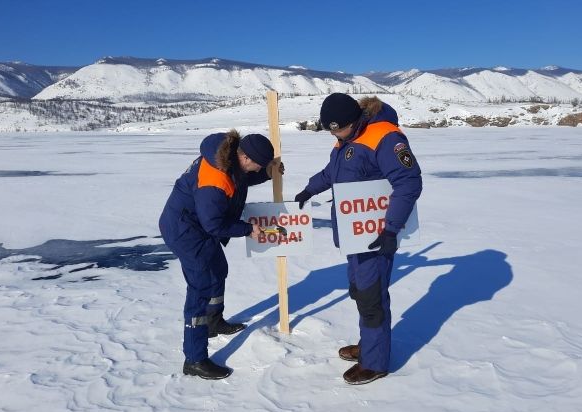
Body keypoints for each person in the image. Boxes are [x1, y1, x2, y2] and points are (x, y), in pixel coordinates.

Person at [294, 93, 422, 385]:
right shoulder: (347, 139)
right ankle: (369, 345)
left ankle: (375, 363)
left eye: (338, 129)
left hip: (376, 235)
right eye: (330, 130)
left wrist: (391, 229)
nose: (334, 135)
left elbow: (409, 182)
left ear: (356, 121)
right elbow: (333, 172)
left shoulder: (386, 138)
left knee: (371, 297)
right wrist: (309, 190)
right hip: (356, 234)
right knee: (360, 291)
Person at [159, 130, 281, 379]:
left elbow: (240, 177)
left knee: (218, 270)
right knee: (201, 287)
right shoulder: (214, 180)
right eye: (258, 165)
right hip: (186, 231)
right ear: (245, 157)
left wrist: (267, 174)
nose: (257, 169)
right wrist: (248, 229)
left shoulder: (228, 156)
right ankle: (194, 359)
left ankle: (214, 321)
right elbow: (213, 223)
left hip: (197, 224)